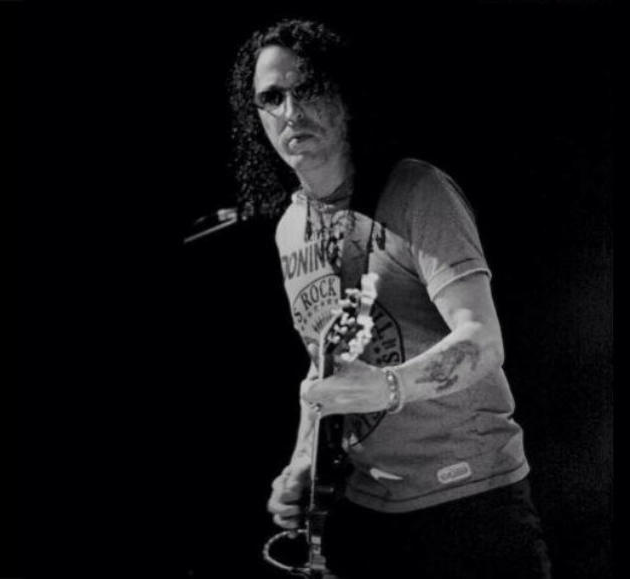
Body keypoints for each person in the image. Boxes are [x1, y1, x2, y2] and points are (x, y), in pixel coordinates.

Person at [228, 18, 552, 579]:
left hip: (471, 499)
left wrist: (388, 386)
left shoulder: (416, 190)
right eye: (272, 98)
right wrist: (304, 460)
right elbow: (325, 364)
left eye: (308, 88)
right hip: (373, 510)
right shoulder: (289, 229)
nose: (290, 111)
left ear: (345, 97)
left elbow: (483, 339)